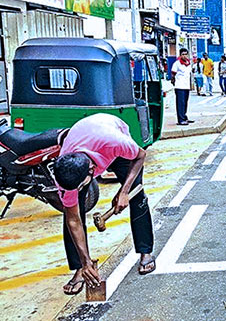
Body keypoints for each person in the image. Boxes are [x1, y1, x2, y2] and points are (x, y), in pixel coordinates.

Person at [53, 113, 155, 295]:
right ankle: (81, 267)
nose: (75, 191)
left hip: (112, 139)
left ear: (92, 170)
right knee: (71, 213)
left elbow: (140, 155)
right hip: (85, 140)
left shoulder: (116, 142)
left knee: (136, 196)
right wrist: (86, 262)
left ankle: (145, 251)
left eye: (81, 185)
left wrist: (124, 192)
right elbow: (73, 220)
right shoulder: (65, 172)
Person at [171, 48, 195, 126]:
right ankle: (180, 120)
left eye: (186, 54)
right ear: (180, 55)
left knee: (185, 103)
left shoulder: (188, 64)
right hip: (179, 86)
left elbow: (190, 74)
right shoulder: (177, 64)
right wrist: (174, 82)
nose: (184, 56)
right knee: (180, 103)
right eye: (183, 54)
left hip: (186, 86)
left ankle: (184, 117)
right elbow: (173, 74)